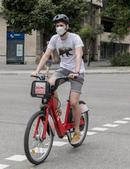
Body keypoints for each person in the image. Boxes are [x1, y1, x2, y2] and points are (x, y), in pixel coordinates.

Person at [31, 14, 85, 144]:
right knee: (49, 84)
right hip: (63, 69)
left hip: (77, 72)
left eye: (61, 25)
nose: (59, 27)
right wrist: (37, 70)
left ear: (67, 26)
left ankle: (77, 131)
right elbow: (46, 55)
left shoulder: (75, 38)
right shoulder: (55, 39)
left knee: (73, 102)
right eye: (57, 25)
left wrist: (76, 71)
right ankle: (57, 108)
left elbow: (78, 55)